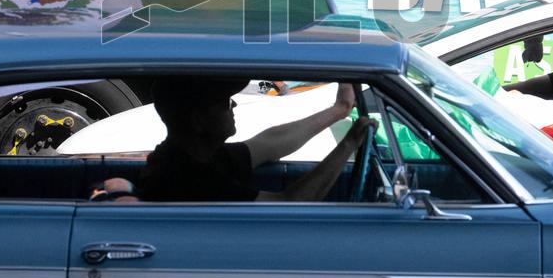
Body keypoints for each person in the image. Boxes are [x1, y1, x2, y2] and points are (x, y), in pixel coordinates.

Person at [136, 77, 377, 202]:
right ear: (198, 121)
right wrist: (348, 144)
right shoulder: (187, 180)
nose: (234, 104)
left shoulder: (197, 156)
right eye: (223, 102)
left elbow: (270, 143)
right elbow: (290, 203)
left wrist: (339, 110)